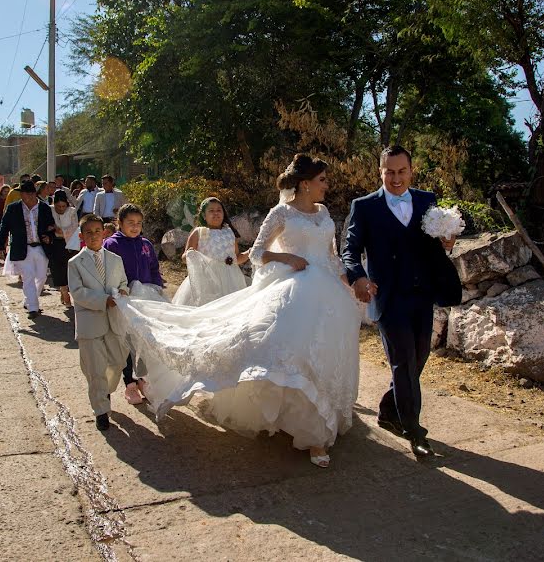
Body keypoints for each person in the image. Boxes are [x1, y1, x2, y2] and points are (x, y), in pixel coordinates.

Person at [115, 154, 362, 467]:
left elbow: (332, 256)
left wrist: (348, 285)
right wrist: (288, 259)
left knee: (324, 355)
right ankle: (312, 434)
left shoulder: (324, 211)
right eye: (322, 180)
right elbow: (257, 252)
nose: (327, 185)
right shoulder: (281, 212)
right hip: (293, 290)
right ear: (304, 184)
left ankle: (322, 418)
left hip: (327, 293)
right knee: (292, 354)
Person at [342, 145, 459, 458]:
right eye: (389, 172)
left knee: (418, 358)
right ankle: (415, 430)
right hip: (388, 298)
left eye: (401, 171)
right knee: (404, 361)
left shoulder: (426, 201)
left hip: (422, 295)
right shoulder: (364, 206)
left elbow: (436, 245)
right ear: (380, 172)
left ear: (411, 170)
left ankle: (388, 409)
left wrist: (447, 242)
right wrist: (358, 277)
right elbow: (350, 249)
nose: (395, 178)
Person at [68, 215, 130, 431]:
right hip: (90, 323)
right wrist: (104, 300)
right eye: (88, 233)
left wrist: (123, 290)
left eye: (97, 231)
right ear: (82, 236)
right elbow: (78, 292)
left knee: (117, 362)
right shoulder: (75, 263)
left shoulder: (115, 259)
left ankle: (104, 392)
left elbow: (123, 282)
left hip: (114, 321)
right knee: (95, 369)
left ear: (104, 232)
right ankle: (101, 410)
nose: (94, 236)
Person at [104, 203, 164, 405]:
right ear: (119, 223)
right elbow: (106, 272)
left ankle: (143, 380)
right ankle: (129, 384)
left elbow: (154, 268)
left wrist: (157, 286)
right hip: (124, 300)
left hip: (146, 299)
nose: (135, 227)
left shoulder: (146, 244)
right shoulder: (112, 244)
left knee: (145, 342)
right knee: (127, 344)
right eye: (130, 222)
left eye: (139, 223)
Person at [0, 180, 56, 319]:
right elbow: (4, 228)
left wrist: (49, 237)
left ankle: (29, 301)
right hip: (22, 247)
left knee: (41, 277)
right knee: (28, 276)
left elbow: (51, 227)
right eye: (23, 193)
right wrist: (0, 246)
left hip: (40, 247)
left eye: (29, 193)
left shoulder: (45, 208)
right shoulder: (13, 209)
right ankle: (33, 308)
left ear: (34, 193)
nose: (27, 196)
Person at [174, 197, 249, 306]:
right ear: (204, 215)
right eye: (211, 211)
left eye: (219, 210)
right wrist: (190, 254)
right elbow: (185, 257)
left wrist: (249, 253)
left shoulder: (229, 232)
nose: (216, 213)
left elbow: (236, 258)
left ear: (223, 213)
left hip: (230, 280)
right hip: (206, 280)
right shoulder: (198, 232)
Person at [51, 191, 80, 306]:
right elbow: (50, 227)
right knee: (59, 270)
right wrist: (57, 231)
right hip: (55, 245)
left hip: (70, 245)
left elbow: (74, 228)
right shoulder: (49, 210)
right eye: (58, 206)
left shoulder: (72, 212)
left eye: (63, 206)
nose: (61, 209)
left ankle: (66, 291)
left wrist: (61, 232)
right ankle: (64, 293)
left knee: (69, 269)